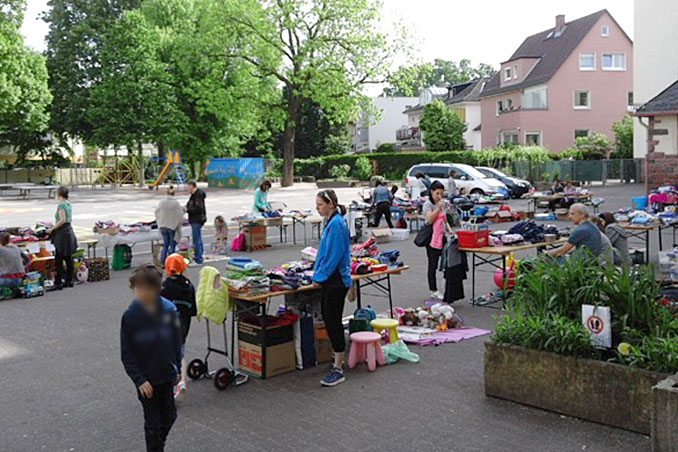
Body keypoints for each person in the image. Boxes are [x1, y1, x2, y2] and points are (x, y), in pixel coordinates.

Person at [120, 265, 181, 452]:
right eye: (138, 288)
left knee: (170, 416)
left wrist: (177, 368)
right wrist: (140, 380)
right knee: (153, 424)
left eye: (147, 288)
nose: (142, 293)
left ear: (157, 289)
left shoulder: (169, 310)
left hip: (166, 374)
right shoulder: (131, 316)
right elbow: (127, 354)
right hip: (147, 380)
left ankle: (156, 445)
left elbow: (176, 342)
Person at [313, 189, 352, 387]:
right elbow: (324, 253)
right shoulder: (331, 222)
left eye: (320, 204)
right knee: (330, 319)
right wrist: (316, 272)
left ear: (330, 204)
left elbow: (334, 256)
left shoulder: (336, 223)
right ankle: (337, 361)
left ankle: (338, 367)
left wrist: (319, 276)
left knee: (333, 321)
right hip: (331, 278)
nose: (317, 208)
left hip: (336, 280)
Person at [160, 254, 196, 399]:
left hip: (166, 328)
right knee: (180, 354)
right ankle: (182, 381)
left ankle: (170, 386)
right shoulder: (189, 286)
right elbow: (193, 310)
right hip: (183, 327)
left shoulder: (163, 287)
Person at [423, 181, 453, 300]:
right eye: (437, 193)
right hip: (431, 237)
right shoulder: (428, 204)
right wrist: (438, 208)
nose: (439, 196)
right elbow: (429, 219)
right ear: (431, 192)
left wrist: (450, 231)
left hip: (442, 236)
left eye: (441, 193)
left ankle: (447, 287)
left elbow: (445, 220)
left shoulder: (441, 203)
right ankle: (433, 289)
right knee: (433, 264)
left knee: (448, 262)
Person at [47, 186, 78, 290]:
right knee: (68, 258)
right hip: (69, 231)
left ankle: (58, 282)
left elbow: (62, 220)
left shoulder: (61, 205)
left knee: (59, 258)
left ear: (59, 193)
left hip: (62, 233)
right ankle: (69, 280)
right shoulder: (69, 204)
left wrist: (52, 229)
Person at [155, 186, 184, 266]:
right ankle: (171, 263)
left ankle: (163, 262)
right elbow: (180, 215)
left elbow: (157, 212)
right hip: (172, 226)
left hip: (163, 226)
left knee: (165, 244)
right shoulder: (176, 203)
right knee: (172, 245)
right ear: (174, 193)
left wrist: (160, 222)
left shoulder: (162, 202)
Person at [186, 181, 206, 265]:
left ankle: (199, 257)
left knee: (196, 238)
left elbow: (198, 208)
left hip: (196, 219)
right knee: (197, 238)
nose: (188, 189)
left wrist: (188, 210)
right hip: (197, 218)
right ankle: (199, 255)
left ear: (192, 186)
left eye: (189, 187)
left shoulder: (197, 196)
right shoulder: (194, 195)